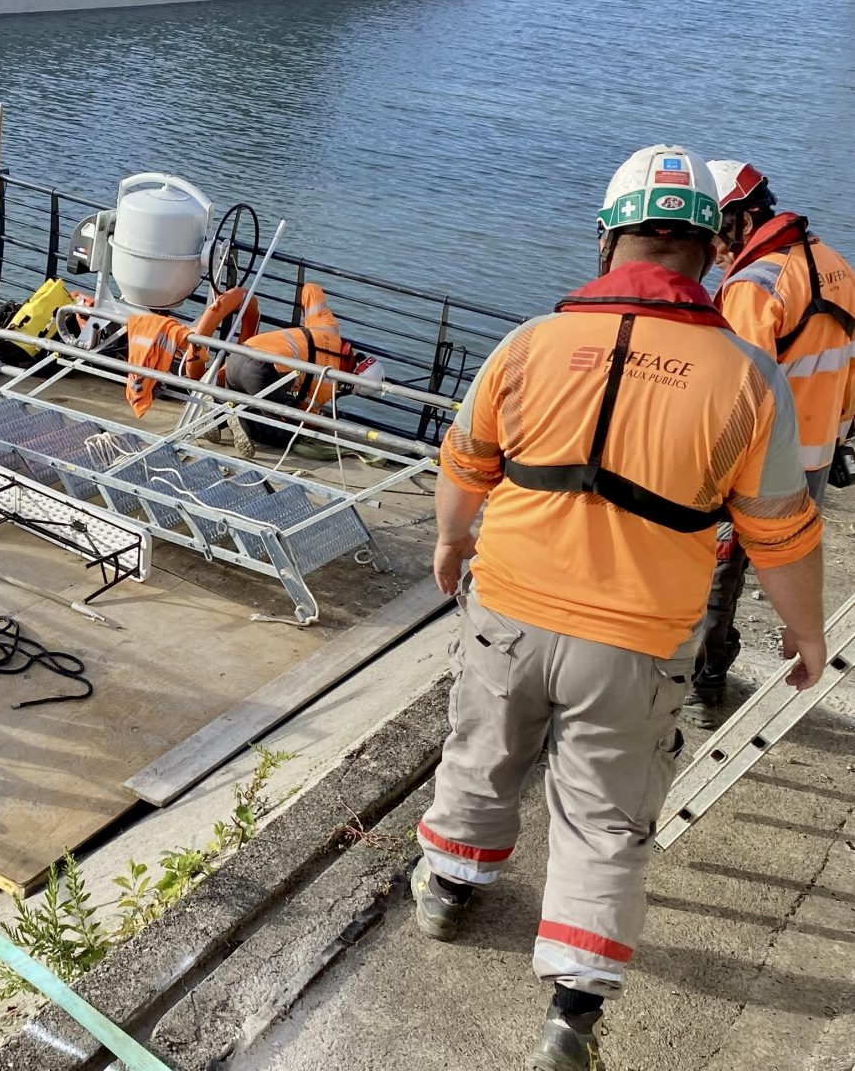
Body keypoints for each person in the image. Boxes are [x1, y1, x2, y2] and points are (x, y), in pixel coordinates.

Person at [414, 146, 826, 1071]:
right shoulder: (746, 378)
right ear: (714, 254)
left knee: (481, 752)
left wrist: (450, 542)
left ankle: (448, 890)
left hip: (508, 611)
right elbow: (781, 531)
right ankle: (570, 1013)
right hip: (637, 641)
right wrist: (807, 631)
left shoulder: (529, 343)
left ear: (606, 241)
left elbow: (464, 459)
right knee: (605, 816)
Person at [686, 160, 855, 726]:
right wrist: (839, 434)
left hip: (759, 460)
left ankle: (702, 682)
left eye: (715, 229)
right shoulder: (833, 264)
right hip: (816, 453)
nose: (710, 246)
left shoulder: (753, 287)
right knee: (785, 551)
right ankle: (749, 649)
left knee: (719, 563)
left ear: (745, 217)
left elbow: (736, 389)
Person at [217, 280, 378, 455]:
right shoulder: (328, 385)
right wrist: (320, 420)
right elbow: (304, 415)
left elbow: (310, 289)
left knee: (242, 399)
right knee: (287, 431)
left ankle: (216, 415)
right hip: (261, 372)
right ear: (350, 384)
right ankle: (244, 422)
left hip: (238, 354)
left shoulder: (328, 328)